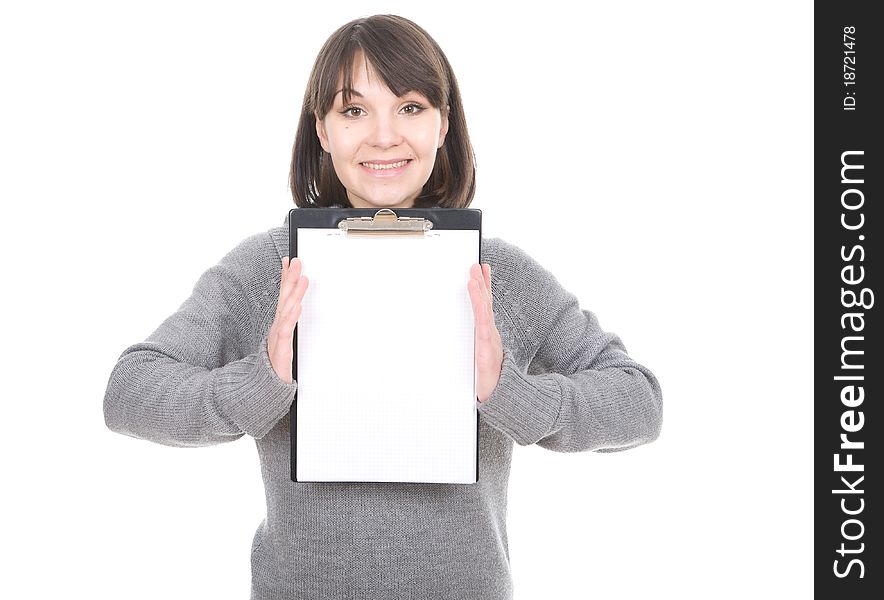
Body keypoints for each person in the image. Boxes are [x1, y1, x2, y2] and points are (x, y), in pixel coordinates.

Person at [103, 14, 663, 600]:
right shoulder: (267, 268)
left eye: (411, 107)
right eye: (353, 110)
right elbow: (129, 392)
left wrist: (509, 394)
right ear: (322, 130)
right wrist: (262, 380)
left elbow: (638, 402)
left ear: (444, 124)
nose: (384, 136)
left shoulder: (498, 275)